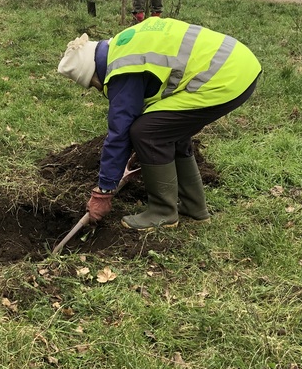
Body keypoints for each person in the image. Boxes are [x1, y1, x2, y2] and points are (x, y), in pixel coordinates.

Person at [57, 18, 261, 231]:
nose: (98, 89)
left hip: (223, 78)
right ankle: (194, 207)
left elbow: (120, 134)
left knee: (147, 133)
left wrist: (103, 191)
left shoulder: (122, 71)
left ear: (94, 73)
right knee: (167, 128)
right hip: (238, 64)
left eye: (93, 85)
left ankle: (163, 212)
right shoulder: (122, 45)